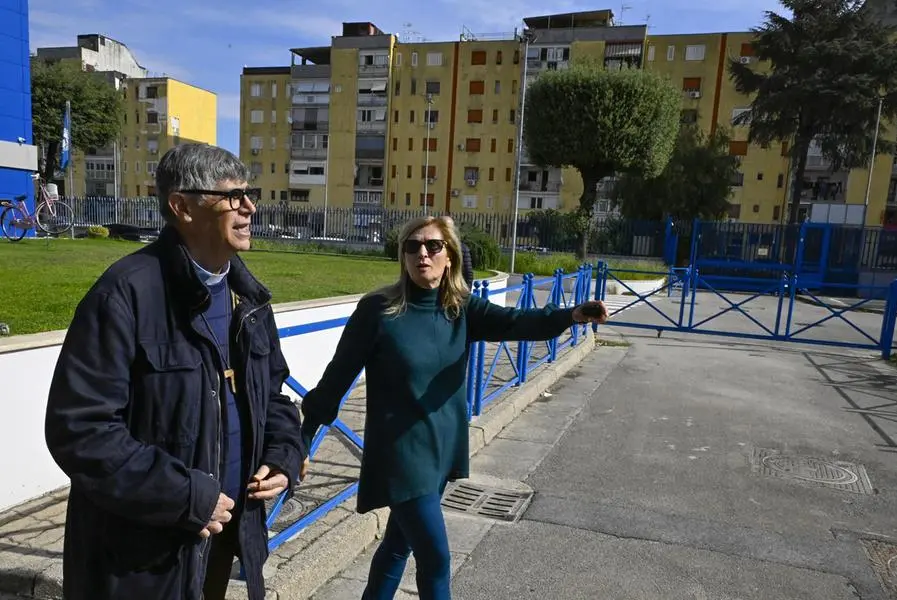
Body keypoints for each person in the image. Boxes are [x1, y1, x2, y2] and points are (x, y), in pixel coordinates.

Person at [44, 143, 307, 600]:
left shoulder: (248, 299)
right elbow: (80, 429)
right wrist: (187, 497)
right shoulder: (124, 295)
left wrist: (284, 455)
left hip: (224, 538)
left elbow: (274, 396)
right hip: (142, 559)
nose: (250, 207)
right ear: (181, 206)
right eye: (232, 196)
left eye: (249, 193)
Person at [299, 215, 607, 600]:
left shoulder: (460, 309)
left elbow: (516, 322)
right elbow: (336, 379)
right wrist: (303, 438)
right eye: (412, 247)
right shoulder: (378, 310)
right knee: (437, 558)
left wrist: (570, 315)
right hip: (401, 454)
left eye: (433, 246)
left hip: (441, 448)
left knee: (398, 545)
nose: (422, 254)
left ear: (450, 258)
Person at [443, 216, 473, 287]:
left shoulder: (463, 248)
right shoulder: (431, 247)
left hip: (456, 289)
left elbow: (468, 273)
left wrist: (466, 293)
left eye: (448, 227)